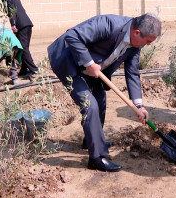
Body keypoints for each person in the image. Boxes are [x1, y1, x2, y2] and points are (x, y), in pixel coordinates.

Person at [47, 13, 161, 172]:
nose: (148, 45)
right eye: (148, 41)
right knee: (90, 105)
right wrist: (88, 62)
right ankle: (96, 158)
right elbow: (72, 35)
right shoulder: (109, 24)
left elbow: (132, 72)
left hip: (95, 70)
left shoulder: (136, 45)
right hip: (69, 62)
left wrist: (139, 105)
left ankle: (91, 140)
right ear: (136, 33)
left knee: (100, 99)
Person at [0, 0, 38, 79]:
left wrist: (13, 24)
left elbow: (11, 11)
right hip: (26, 24)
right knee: (24, 47)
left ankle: (33, 69)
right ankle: (24, 70)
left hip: (22, 26)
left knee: (23, 48)